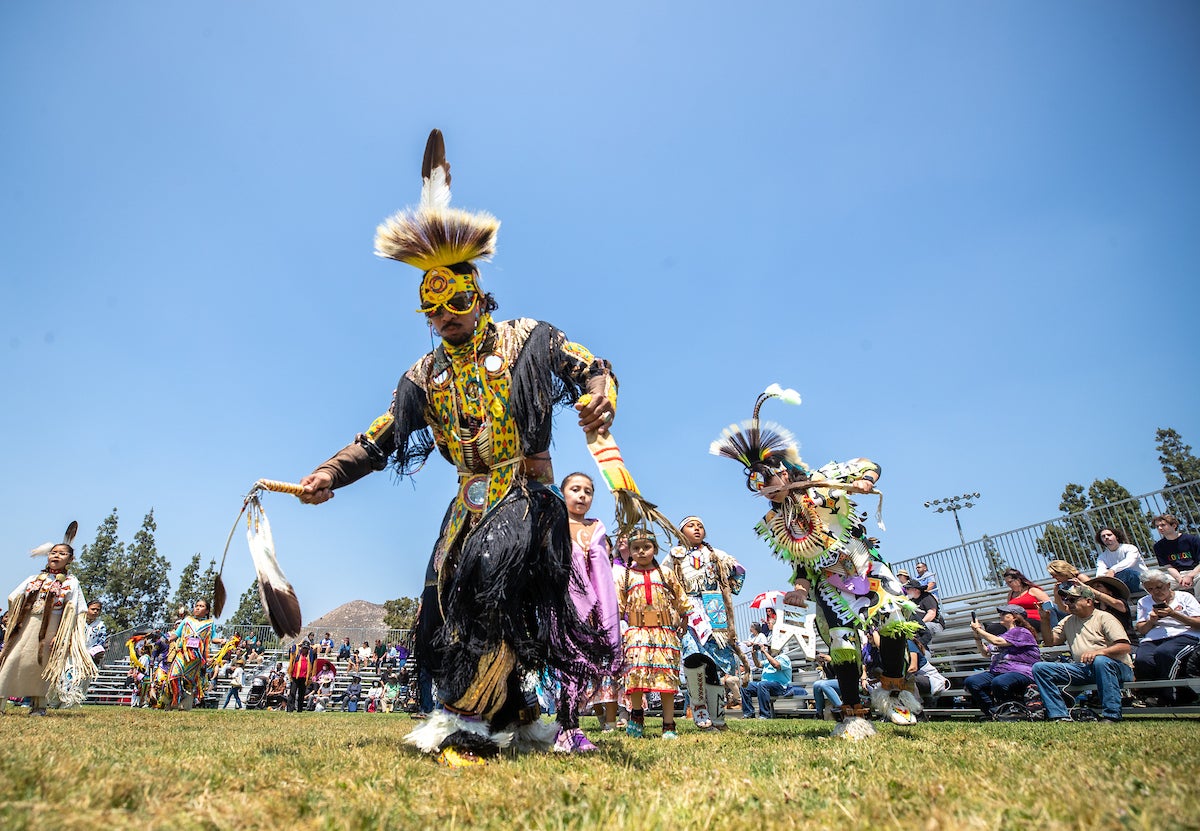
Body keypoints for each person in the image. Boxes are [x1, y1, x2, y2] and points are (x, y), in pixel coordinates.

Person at [296, 129, 617, 766]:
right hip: (466, 504)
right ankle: (512, 709)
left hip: (526, 495)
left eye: (456, 300)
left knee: (489, 586)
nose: (444, 314)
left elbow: (591, 367)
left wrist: (601, 393)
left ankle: (473, 723)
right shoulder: (422, 376)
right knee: (445, 605)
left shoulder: (528, 338)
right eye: (431, 306)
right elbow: (379, 437)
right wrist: (331, 472)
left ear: (477, 293)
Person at [710, 385, 917, 737]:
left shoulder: (826, 483)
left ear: (785, 474)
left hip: (865, 564)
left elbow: (870, 463)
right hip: (829, 582)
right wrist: (801, 590)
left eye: (768, 478)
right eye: (757, 484)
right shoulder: (777, 522)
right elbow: (803, 563)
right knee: (841, 640)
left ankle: (894, 692)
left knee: (894, 620)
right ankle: (853, 714)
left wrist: (865, 480)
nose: (765, 487)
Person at [0, 522, 97, 714]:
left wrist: (62, 635)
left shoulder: (71, 582)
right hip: (27, 627)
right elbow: (14, 597)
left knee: (42, 667)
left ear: (70, 559)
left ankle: (39, 705)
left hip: (51, 631)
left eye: (62, 553)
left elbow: (77, 610)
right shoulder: (33, 579)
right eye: (53, 552)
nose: (56, 555)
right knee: (11, 660)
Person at [556, 471, 621, 749]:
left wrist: (607, 618)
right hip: (555, 606)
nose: (582, 495)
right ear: (562, 493)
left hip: (587, 611)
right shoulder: (551, 524)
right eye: (575, 489)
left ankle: (569, 727)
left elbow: (603, 575)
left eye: (588, 491)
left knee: (577, 668)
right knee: (560, 667)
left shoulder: (596, 528)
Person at [668, 515, 749, 732]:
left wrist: (726, 587)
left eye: (700, 526)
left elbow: (739, 570)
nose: (697, 529)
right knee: (693, 657)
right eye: (691, 526)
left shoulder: (715, 554)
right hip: (688, 610)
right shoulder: (674, 557)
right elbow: (665, 580)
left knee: (716, 663)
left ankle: (718, 714)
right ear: (680, 532)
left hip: (714, 608)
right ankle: (699, 709)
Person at [614, 528, 692, 740]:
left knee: (666, 678)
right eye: (636, 548)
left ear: (655, 549)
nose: (641, 552)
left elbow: (680, 598)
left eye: (646, 547)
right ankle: (637, 717)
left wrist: (684, 617)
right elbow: (618, 606)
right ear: (629, 551)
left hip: (663, 632)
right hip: (636, 633)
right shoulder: (625, 576)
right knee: (637, 674)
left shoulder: (665, 573)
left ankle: (668, 724)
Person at [1032, 583, 1133, 722]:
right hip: (1083, 668)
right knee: (1040, 668)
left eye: (1073, 600)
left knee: (1100, 661)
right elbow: (1051, 642)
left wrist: (1099, 652)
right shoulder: (1067, 621)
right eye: (1066, 600)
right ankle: (1059, 715)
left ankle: (1112, 715)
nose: (1068, 603)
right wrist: (1045, 620)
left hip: (1117, 667)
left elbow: (1125, 646)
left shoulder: (1104, 617)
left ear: (1088, 601)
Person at [1132, 569, 1200, 706]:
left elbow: (1198, 623)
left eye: (1159, 587)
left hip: (1185, 634)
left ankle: (1169, 695)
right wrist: (1151, 621)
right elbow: (1142, 629)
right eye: (1150, 589)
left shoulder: (1184, 597)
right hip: (1153, 638)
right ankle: (1151, 695)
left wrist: (1173, 614)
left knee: (1164, 653)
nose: (1156, 592)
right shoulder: (1143, 602)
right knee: (1143, 658)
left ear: (1168, 585)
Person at [964, 604, 1041, 717]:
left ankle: (1011, 711)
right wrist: (977, 637)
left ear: (1014, 617)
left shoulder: (1022, 632)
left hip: (1021, 672)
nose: (1001, 615)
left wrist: (979, 630)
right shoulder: (1003, 635)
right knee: (972, 682)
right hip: (999, 671)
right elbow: (985, 653)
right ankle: (992, 712)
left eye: (1004, 613)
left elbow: (997, 642)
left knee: (999, 682)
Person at [167, 599, 218, 710]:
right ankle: (175, 698)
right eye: (196, 605)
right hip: (183, 654)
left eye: (201, 606)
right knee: (173, 676)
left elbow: (214, 638)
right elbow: (176, 634)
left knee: (189, 683)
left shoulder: (209, 623)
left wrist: (224, 641)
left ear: (207, 611)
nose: (198, 608)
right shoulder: (187, 620)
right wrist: (168, 639)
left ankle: (185, 705)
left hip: (196, 659)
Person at [741, 643, 792, 719]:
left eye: (770, 647)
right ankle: (749, 713)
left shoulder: (783, 657)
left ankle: (765, 715)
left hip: (780, 686)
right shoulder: (768, 660)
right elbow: (758, 664)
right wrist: (753, 654)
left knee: (762, 685)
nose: (769, 649)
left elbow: (776, 665)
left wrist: (764, 652)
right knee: (745, 686)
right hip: (765, 685)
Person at [1151, 515, 1200, 593]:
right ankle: (1169, 604)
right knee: (1154, 583)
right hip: (1176, 576)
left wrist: (1190, 576)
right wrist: (1179, 579)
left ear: (1174, 525)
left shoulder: (1192, 539)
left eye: (1163, 525)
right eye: (1157, 526)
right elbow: (1169, 567)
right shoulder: (1158, 546)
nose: (1160, 528)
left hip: (1195, 572)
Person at [1094, 527, 1147, 597]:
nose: (1106, 537)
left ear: (1117, 537)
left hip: (1141, 581)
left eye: (1109, 535)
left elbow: (1130, 561)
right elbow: (1100, 571)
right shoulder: (1102, 557)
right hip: (1123, 586)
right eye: (1103, 536)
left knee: (1126, 572)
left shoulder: (1130, 548)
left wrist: (1113, 570)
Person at [904, 579, 944, 649]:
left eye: (908, 588)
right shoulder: (910, 601)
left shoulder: (927, 597)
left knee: (923, 628)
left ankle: (924, 650)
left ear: (916, 590)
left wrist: (919, 624)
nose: (906, 591)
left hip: (935, 624)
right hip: (920, 625)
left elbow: (931, 614)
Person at [286, 638, 316, 712]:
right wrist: (298, 644)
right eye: (303, 648)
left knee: (301, 694)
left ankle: (300, 709)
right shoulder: (297, 654)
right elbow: (293, 648)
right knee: (292, 693)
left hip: (304, 677)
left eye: (306, 648)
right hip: (295, 676)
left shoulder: (309, 656)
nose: (304, 650)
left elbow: (315, 651)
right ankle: (290, 709)